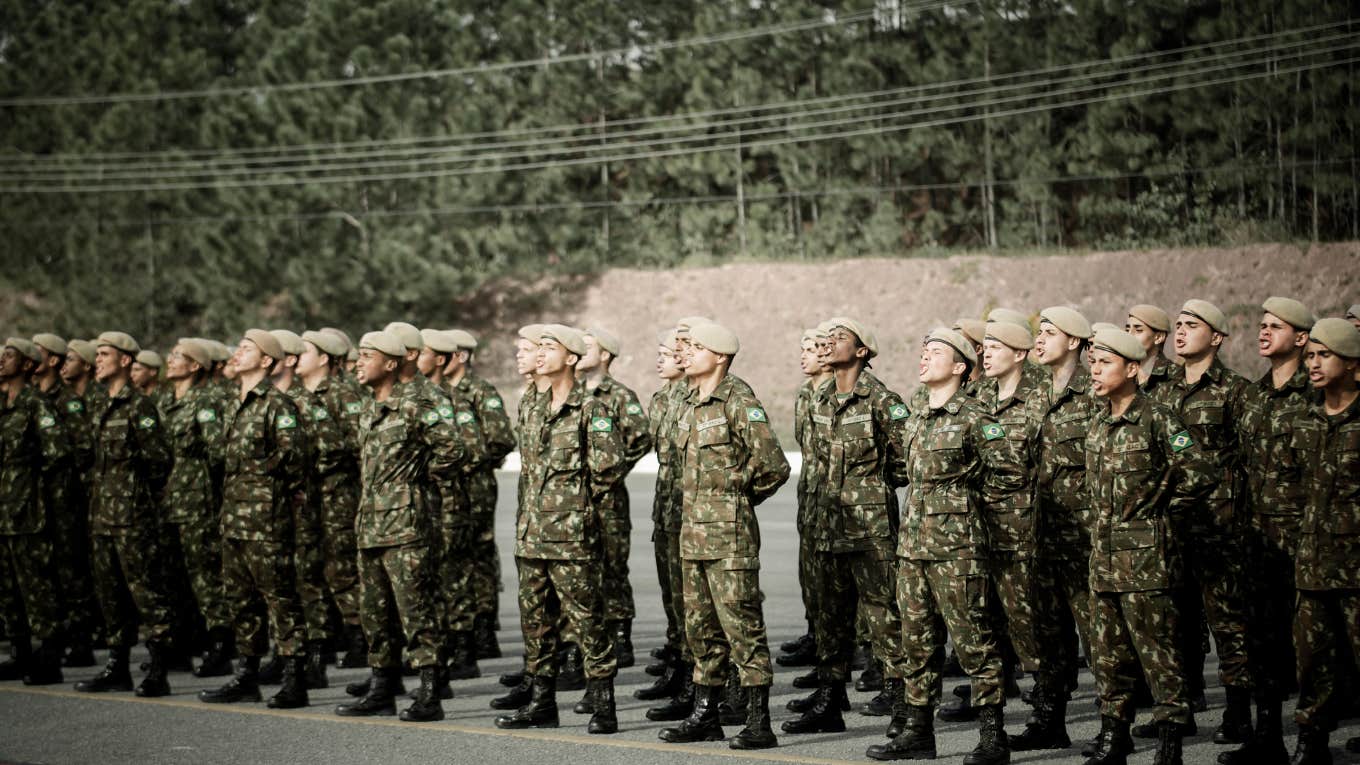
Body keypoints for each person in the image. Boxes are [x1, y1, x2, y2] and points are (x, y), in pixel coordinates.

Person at [867, 328, 1020, 765]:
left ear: (959, 367)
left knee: (974, 643)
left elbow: (1008, 474)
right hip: (913, 549)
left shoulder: (975, 415)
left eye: (935, 353)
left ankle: (993, 737)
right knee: (917, 642)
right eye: (923, 351)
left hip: (958, 552)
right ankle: (918, 731)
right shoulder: (915, 412)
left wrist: (965, 504)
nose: (924, 358)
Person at [1083, 327, 1214, 765]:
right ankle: (1113, 734)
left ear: (1132, 368)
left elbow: (1199, 473)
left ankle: (1170, 740)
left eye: (1105, 363)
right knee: (1109, 657)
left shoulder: (1158, 418)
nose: (1095, 370)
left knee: (1158, 653)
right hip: (1103, 561)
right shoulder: (1098, 423)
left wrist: (1161, 515)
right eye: (1093, 362)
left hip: (1146, 564)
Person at [658, 321, 789, 750]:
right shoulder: (688, 402)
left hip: (729, 538)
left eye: (697, 347)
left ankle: (757, 720)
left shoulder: (738, 400)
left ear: (720, 357)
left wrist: (734, 496)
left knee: (743, 629)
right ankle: (705, 715)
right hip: (691, 536)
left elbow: (773, 465)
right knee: (700, 630)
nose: (687, 353)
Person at [494, 325, 624, 734]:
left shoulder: (591, 408)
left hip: (572, 538)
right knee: (536, 624)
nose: (541, 353)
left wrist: (580, 514)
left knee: (587, 622)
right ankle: (541, 702)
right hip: (531, 536)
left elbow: (608, 471)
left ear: (570, 358)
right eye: (541, 347)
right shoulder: (531, 405)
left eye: (550, 347)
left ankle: (604, 704)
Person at [335, 330, 468, 723]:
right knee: (374, 611)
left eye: (366, 356)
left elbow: (454, 449)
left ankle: (429, 692)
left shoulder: (415, 403)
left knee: (415, 609)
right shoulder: (368, 407)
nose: (358, 363)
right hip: (371, 523)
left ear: (391, 364)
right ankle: (382, 685)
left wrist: (415, 479)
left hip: (406, 524)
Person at [785, 318, 907, 738]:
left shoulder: (881, 400)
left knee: (883, 614)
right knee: (829, 616)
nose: (828, 344)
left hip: (869, 528)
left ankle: (901, 697)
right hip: (826, 524)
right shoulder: (819, 398)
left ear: (862, 352)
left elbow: (905, 460)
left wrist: (869, 488)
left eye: (840, 339)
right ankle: (830, 698)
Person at [1144, 300, 1252, 742]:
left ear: (1218, 338)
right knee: (1173, 622)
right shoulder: (1160, 392)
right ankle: (1179, 707)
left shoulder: (1235, 391)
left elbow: (1251, 462)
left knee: (1229, 623)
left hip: (1220, 528)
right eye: (1180, 325)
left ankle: (1239, 712)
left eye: (1194, 325)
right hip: (1172, 527)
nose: (1183, 331)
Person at [1220, 297, 1315, 765]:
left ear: (1301, 337)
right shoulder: (1251, 396)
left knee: (1315, 649)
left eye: (1275, 326)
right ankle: (1268, 736)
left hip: (1305, 544)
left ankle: (1312, 740)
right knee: (1263, 644)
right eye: (1261, 325)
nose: (1263, 332)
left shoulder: (1315, 395)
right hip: (1256, 543)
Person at [197, 329, 308, 709]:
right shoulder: (232, 403)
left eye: (247, 349)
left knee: (281, 602)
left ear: (266, 361)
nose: (237, 353)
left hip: (266, 521)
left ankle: (295, 679)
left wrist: (265, 480)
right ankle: (247, 675)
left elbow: (295, 459)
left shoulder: (278, 405)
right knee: (240, 602)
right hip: (234, 520)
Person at [73, 331, 177, 698]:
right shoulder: (100, 403)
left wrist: (134, 494)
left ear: (125, 361)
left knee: (145, 593)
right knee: (110, 594)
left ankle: (159, 668)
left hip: (132, 516)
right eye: (97, 354)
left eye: (105, 354)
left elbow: (159, 460)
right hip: (102, 515)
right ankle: (117, 667)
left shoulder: (139, 406)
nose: (97, 360)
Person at [1283, 318, 1360, 765]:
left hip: (1355, 570)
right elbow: (1288, 489)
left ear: (1352, 364)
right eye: (1310, 354)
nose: (1313, 362)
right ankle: (1311, 739)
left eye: (1324, 355)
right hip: (1312, 568)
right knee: (1313, 663)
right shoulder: (1303, 420)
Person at [1024, 306, 1099, 751]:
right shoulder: (1034, 396)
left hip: (1085, 540)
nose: (1040, 339)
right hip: (1042, 537)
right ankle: (1049, 720)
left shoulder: (1094, 392)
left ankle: (1114, 726)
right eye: (1039, 332)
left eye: (1049, 333)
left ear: (1074, 342)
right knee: (1048, 636)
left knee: (1098, 639)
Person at [159, 339, 234, 678]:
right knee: (174, 577)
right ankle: (181, 643)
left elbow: (218, 452)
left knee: (205, 575)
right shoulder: (166, 400)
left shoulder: (205, 401)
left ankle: (219, 644)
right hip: (171, 498)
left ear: (195, 366)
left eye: (178, 356)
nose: (170, 360)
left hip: (198, 499)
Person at [0, 337, 72, 685]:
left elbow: (57, 453)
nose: (2, 359)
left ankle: (48, 656)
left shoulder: (35, 404)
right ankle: (19, 651)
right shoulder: (3, 404)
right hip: (3, 508)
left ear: (28, 365)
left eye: (10, 355)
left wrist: (31, 483)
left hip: (28, 509)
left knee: (36, 585)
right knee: (7, 587)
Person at [443, 329, 516, 663]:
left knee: (479, 553)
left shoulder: (479, 390)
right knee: (454, 557)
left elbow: (501, 438)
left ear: (461, 356)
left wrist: (473, 462)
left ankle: (484, 627)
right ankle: (462, 625)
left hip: (476, 486)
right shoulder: (437, 392)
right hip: (448, 488)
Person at [30, 333, 100, 667]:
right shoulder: (32, 398)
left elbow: (83, 451)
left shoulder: (67, 400)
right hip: (34, 499)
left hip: (64, 497)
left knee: (71, 569)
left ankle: (80, 638)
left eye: (38, 352)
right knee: (43, 569)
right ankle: (51, 637)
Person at [298, 330, 367, 669]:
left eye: (305, 350)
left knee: (341, 572)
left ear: (324, 358)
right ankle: (319, 642)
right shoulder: (298, 394)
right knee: (308, 570)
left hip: (337, 496)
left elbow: (357, 447)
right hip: (306, 499)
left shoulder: (342, 393)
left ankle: (358, 637)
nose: (297, 355)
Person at [636, 328, 690, 705]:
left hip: (696, 517)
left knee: (695, 605)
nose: (660, 359)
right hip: (667, 511)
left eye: (666, 353)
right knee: (674, 600)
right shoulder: (660, 400)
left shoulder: (697, 397)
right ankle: (679, 668)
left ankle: (699, 680)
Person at [1125, 305, 1178, 394]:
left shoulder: (1176, 377)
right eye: (1127, 330)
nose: (1129, 335)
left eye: (1138, 330)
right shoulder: (1121, 374)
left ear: (1158, 337)